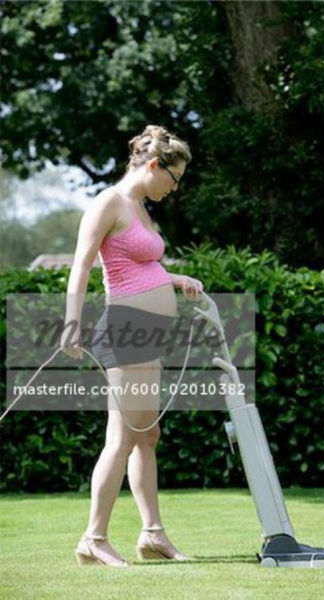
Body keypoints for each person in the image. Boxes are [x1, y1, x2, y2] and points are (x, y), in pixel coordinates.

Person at [60, 125, 204, 566]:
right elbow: (83, 266)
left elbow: (139, 266)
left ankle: (152, 535)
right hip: (123, 330)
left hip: (145, 335)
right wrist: (71, 323)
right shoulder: (109, 203)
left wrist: (175, 279)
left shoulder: (140, 209)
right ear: (155, 165)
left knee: (147, 435)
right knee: (121, 437)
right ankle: (93, 539)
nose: (174, 188)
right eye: (174, 178)